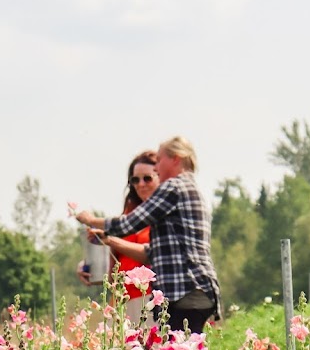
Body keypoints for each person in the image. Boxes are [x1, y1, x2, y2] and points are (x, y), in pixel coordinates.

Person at [76, 136, 220, 335]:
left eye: (160, 160)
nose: (157, 167)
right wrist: (108, 239)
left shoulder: (174, 187)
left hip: (183, 290)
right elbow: (153, 252)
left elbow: (129, 223)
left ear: (176, 159)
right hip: (197, 290)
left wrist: (91, 220)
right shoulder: (191, 189)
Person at [77, 150, 159, 324]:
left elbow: (150, 252)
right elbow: (116, 257)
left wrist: (110, 239)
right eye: (135, 180)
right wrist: (88, 267)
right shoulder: (128, 216)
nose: (141, 184)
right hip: (122, 299)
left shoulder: (164, 217)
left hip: (151, 298)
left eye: (147, 178)